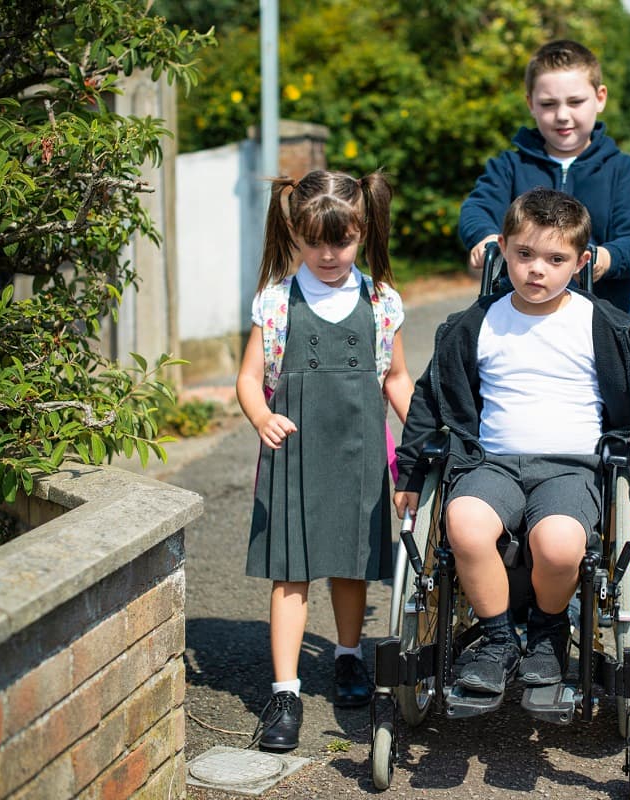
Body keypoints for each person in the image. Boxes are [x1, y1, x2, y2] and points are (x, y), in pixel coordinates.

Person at [395, 188, 630, 698]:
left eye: (555, 258)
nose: (536, 270)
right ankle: (499, 640)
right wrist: (411, 471)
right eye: (524, 255)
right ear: (502, 249)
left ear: (582, 262)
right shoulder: (475, 324)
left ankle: (546, 633)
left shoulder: (600, 325)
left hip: (571, 468)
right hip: (492, 463)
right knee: (465, 527)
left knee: (560, 545)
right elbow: (429, 398)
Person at [236, 169, 414, 750]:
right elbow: (247, 379)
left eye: (341, 241)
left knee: (351, 562)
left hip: (361, 452)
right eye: (315, 242)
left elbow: (397, 377)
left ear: (362, 231)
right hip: (293, 452)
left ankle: (346, 657)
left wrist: (423, 435)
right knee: (291, 571)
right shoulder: (275, 301)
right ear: (294, 230)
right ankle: (284, 691)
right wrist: (261, 417)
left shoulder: (382, 301)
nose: (328, 254)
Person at [458, 39, 630, 316]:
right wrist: (484, 237)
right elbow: (477, 208)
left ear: (600, 98)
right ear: (530, 104)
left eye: (575, 102)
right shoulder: (510, 166)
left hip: (597, 319)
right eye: (548, 104)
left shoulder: (625, 172)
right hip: (516, 316)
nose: (562, 115)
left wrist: (606, 257)